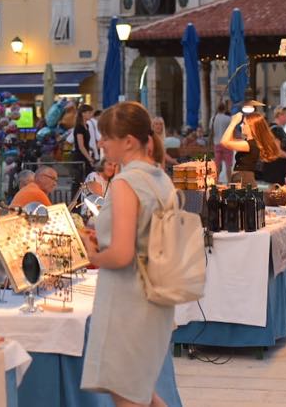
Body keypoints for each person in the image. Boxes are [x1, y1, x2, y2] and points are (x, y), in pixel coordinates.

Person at [80, 101, 176, 406]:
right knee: (141, 393)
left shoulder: (125, 182)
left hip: (128, 301)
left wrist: (92, 254)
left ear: (129, 141)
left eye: (107, 137)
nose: (101, 143)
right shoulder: (160, 178)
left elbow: (122, 255)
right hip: (154, 295)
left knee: (128, 395)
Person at [220, 111, 282, 188]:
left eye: (244, 123)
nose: (241, 125)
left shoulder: (250, 145)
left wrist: (233, 123)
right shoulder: (249, 143)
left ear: (252, 127)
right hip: (243, 178)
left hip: (244, 179)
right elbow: (229, 140)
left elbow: (224, 142)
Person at [260, 107, 286, 185]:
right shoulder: (276, 130)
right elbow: (277, 151)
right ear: (280, 115)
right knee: (276, 190)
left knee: (274, 189)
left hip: (274, 167)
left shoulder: (270, 128)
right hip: (276, 168)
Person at [72, 104, 96, 192]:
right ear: (83, 114)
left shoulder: (87, 126)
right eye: (89, 113)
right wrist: (89, 158)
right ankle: (77, 198)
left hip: (86, 154)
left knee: (88, 179)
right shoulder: (79, 127)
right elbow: (81, 146)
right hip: (80, 157)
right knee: (80, 180)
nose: (91, 115)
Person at [210, 102, 232, 184]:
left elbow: (211, 132)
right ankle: (229, 182)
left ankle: (216, 182)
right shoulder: (228, 119)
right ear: (224, 109)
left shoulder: (213, 118)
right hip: (227, 144)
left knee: (217, 165)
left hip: (217, 143)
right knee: (228, 165)